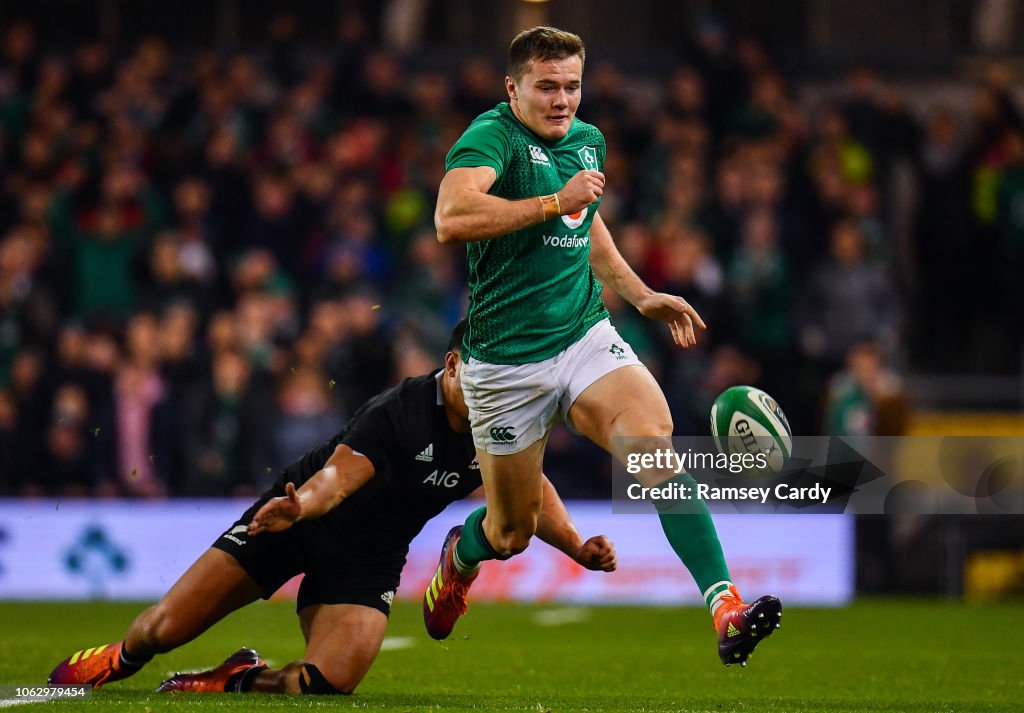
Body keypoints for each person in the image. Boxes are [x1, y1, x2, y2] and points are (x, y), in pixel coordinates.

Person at [426, 26, 780, 667]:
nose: (563, 100)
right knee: (511, 532)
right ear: (513, 89)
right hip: (504, 363)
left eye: (573, 86)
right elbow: (451, 217)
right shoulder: (492, 137)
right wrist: (549, 201)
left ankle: (725, 607)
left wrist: (641, 294)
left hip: (584, 336)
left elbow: (585, 225)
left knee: (654, 451)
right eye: (547, 87)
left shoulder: (588, 142)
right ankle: (460, 556)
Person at [48, 321, 616, 694]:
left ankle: (238, 679)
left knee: (326, 682)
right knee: (163, 628)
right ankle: (121, 657)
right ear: (450, 364)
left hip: (369, 559)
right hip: (298, 519)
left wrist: (575, 545)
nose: (492, 386)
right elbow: (339, 479)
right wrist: (298, 510)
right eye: (482, 371)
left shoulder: (500, 423)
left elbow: (531, 492)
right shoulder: (397, 411)